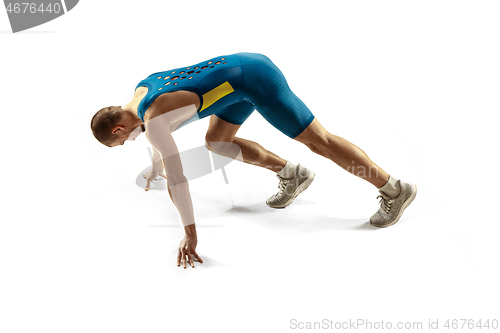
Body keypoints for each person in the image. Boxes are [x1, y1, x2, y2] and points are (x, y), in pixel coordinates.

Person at [90, 52, 417, 269]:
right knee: (217, 142)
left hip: (255, 80)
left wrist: (190, 233)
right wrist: (158, 165)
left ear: (119, 127)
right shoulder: (141, 89)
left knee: (320, 141)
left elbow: (179, 178)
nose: (128, 142)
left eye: (122, 141)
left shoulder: (154, 124)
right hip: (239, 72)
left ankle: (394, 189)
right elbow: (161, 129)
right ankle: (293, 174)